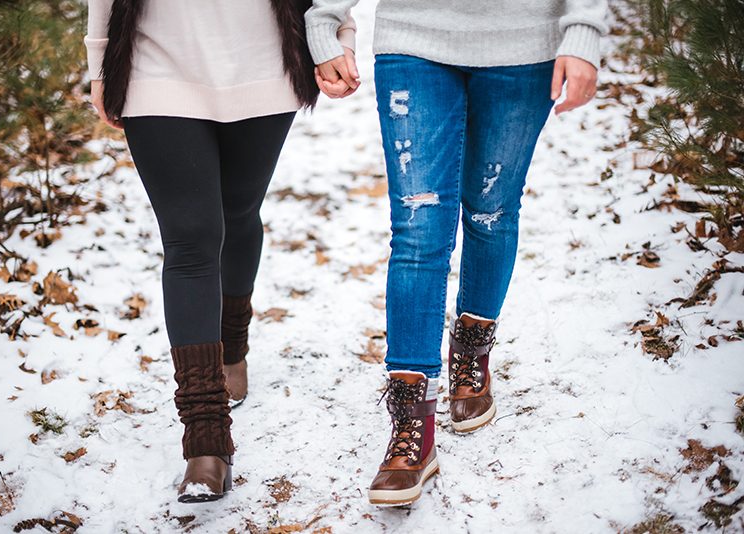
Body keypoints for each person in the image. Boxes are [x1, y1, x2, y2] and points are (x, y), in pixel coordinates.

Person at [306, 0, 608, 506]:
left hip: (524, 43)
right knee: (418, 230)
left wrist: (583, 31)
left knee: (491, 212)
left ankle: (470, 351)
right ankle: (412, 428)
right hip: (414, 38)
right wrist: (327, 20)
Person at [85, 0, 355, 503]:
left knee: (238, 213)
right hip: (155, 66)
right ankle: (205, 438)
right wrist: (100, 62)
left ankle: (232, 345)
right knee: (190, 240)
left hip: (265, 64)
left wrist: (338, 36)